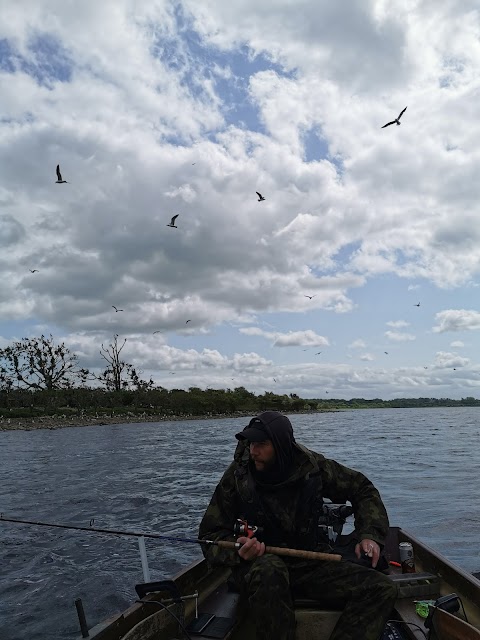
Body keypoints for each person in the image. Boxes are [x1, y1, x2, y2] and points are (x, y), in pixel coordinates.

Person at [198, 410, 398, 640]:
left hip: (310, 562)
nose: (253, 451)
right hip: (259, 568)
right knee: (270, 570)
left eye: (261, 444)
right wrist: (238, 549)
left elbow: (362, 489)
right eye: (251, 443)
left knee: (381, 588)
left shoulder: (312, 468)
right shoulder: (237, 477)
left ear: (282, 445)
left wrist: (370, 534)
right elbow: (209, 536)